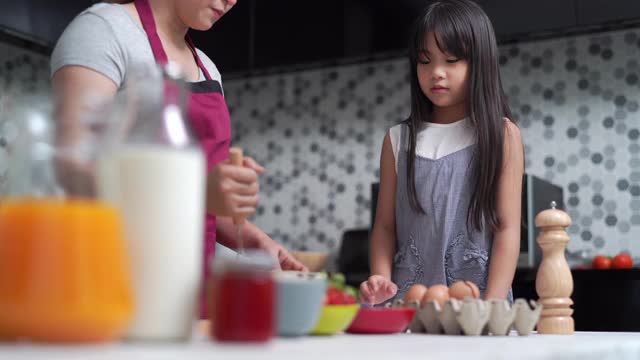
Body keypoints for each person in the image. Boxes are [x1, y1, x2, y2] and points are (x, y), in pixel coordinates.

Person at [50, 0, 307, 312]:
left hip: (186, 296)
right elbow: (74, 167)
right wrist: (197, 192)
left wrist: (254, 242)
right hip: (109, 287)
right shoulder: (104, 30)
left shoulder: (208, 69)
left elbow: (206, 199)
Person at [359, 0, 523, 305]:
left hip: (480, 306)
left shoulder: (502, 136)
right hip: (408, 305)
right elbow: (384, 226)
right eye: (425, 61)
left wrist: (494, 302)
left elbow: (508, 227)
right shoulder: (398, 140)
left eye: (451, 60)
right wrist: (380, 278)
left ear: (480, 62)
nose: (436, 72)